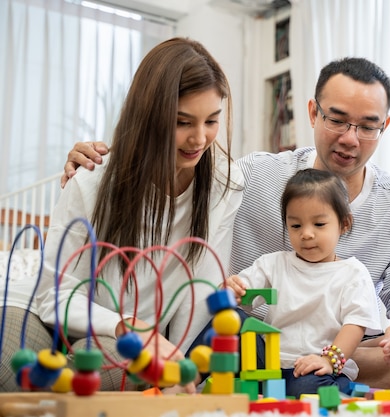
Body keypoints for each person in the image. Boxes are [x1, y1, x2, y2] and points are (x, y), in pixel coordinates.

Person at [62, 57, 390, 389]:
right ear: (312, 113)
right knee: (226, 338)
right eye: (337, 120)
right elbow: (183, 164)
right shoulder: (253, 175)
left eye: (367, 126)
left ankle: (326, 378)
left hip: (337, 347)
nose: (351, 138)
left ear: (384, 127)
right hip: (254, 345)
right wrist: (101, 163)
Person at [0, 37, 244, 392]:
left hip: (119, 344)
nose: (199, 139)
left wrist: (179, 370)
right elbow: (55, 296)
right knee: (9, 364)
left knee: (103, 369)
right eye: (182, 122)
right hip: (44, 317)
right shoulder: (93, 180)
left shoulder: (225, 184)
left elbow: (200, 290)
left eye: (211, 120)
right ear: (149, 115)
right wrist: (129, 325)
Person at [223, 168, 380, 398]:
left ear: (344, 224)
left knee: (309, 391)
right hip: (266, 363)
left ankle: (344, 390)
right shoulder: (274, 263)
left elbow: (355, 324)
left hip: (312, 368)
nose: (306, 234)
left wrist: (328, 360)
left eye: (318, 224)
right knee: (228, 319)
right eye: (296, 226)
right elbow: (240, 295)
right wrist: (230, 290)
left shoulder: (352, 273)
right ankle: (186, 376)